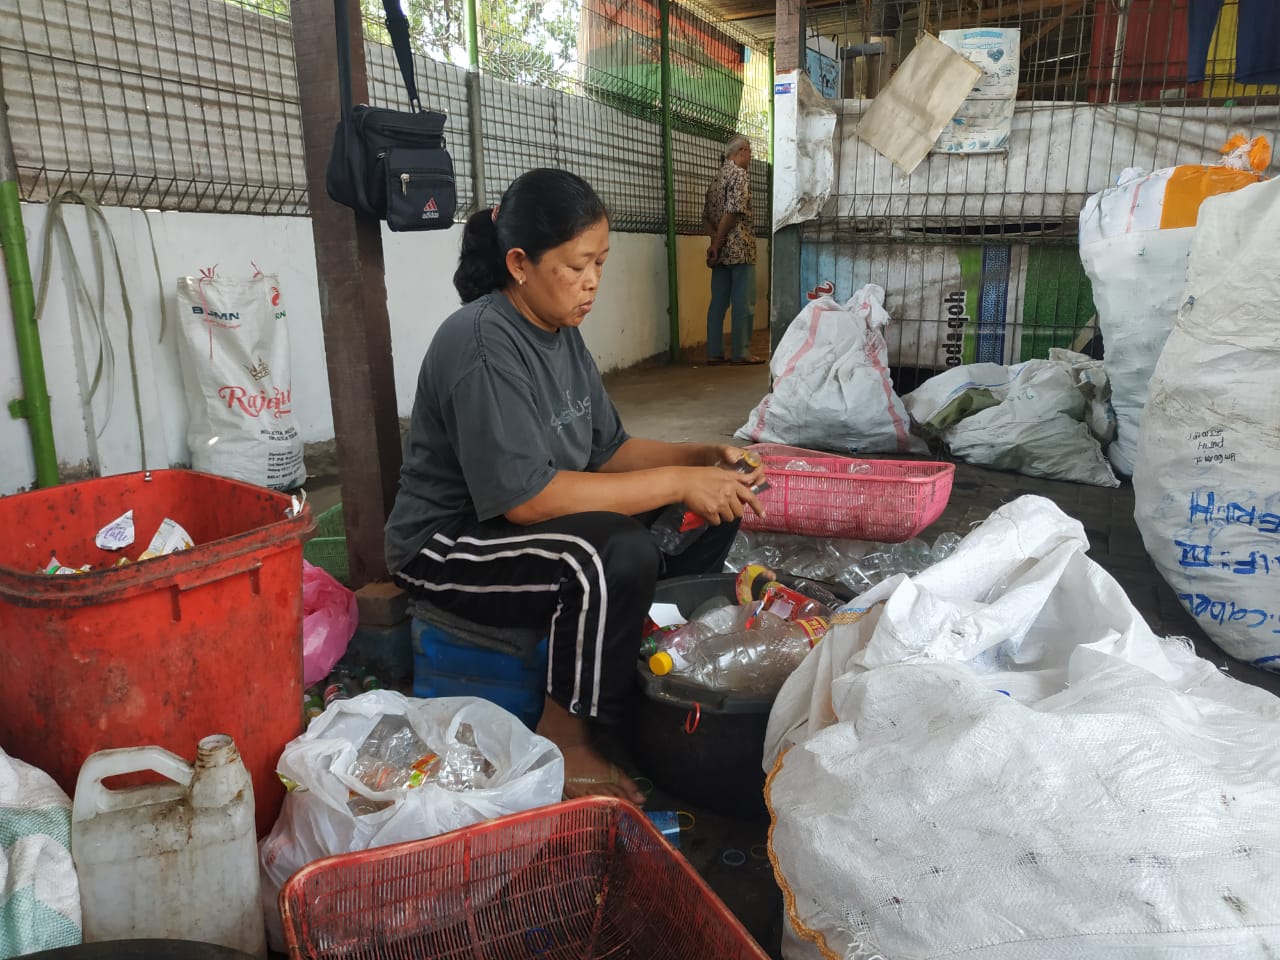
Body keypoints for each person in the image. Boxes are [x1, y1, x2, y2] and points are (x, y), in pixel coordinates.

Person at [385, 168, 765, 805]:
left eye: (600, 263)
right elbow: (527, 500)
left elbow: (608, 450)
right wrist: (676, 478)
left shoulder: (560, 331)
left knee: (709, 505)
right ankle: (569, 741)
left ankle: (641, 650)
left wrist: (701, 458)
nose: (592, 282)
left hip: (515, 525)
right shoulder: (481, 343)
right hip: (449, 544)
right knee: (611, 551)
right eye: (577, 265)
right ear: (519, 264)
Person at [702, 134, 762, 365]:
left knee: (718, 302)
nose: (751, 156)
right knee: (743, 303)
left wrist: (714, 242)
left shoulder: (716, 179)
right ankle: (741, 352)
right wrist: (720, 242)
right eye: (749, 152)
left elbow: (706, 218)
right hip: (740, 248)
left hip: (720, 253)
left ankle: (714, 352)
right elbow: (733, 211)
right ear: (741, 152)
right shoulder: (739, 175)